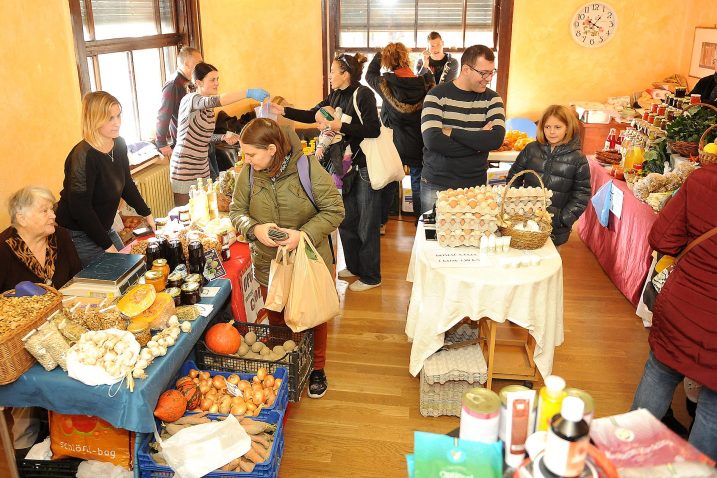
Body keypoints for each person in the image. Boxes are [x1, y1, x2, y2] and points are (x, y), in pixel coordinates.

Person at [229, 118, 344, 398]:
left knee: (312, 315)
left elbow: (335, 210)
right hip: (268, 260)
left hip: (307, 258)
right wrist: (254, 228)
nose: (247, 159)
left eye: (251, 154)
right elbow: (236, 212)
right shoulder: (249, 172)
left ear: (271, 148)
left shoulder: (306, 167)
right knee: (277, 314)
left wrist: (301, 235)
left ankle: (317, 368)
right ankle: (285, 362)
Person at [270, 53, 382, 292]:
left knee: (366, 223)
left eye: (333, 71)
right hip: (343, 168)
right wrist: (283, 110)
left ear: (345, 74)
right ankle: (354, 266)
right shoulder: (335, 95)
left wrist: (340, 126)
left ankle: (371, 276)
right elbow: (312, 114)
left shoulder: (363, 94)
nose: (329, 75)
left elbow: (373, 129)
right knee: (347, 219)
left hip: (363, 167)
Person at [631, 157, 717, 462]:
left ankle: (631, 454)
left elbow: (662, 238)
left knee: (660, 371)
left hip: (684, 303)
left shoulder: (703, 179)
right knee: (713, 408)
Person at [1, 186, 82, 459]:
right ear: (21, 217)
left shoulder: (60, 237)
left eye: (52, 209)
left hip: (66, 327)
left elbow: (78, 280)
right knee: (23, 392)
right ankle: (27, 457)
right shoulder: (3, 250)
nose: (52, 216)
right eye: (44, 210)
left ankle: (75, 437)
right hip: (21, 345)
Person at [56, 91, 155, 267]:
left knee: (127, 268)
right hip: (79, 233)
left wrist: (146, 212)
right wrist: (107, 245)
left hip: (103, 226)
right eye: (110, 118)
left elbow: (126, 184)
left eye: (118, 116)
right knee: (115, 274)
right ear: (95, 119)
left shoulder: (119, 144)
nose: (117, 123)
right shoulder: (82, 157)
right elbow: (81, 210)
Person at [420, 44, 506, 211]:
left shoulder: (493, 99)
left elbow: (495, 140)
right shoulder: (436, 95)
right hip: (436, 183)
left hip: (475, 186)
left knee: (472, 236)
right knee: (432, 236)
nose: (489, 78)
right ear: (466, 69)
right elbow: (433, 141)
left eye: (491, 72)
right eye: (483, 73)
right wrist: (478, 142)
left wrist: (452, 132)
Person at [171, 62, 269, 206]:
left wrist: (223, 137)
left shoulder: (208, 108)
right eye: (212, 80)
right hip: (185, 168)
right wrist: (248, 93)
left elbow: (203, 136)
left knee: (204, 213)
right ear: (198, 82)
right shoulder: (191, 100)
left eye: (218, 79)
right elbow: (216, 101)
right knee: (186, 214)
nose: (217, 83)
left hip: (202, 167)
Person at [366, 42, 435, 222]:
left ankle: (383, 220)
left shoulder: (385, 83)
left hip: (393, 141)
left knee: (389, 180)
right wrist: (425, 68)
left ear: (388, 60)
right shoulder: (425, 83)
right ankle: (421, 221)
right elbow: (431, 80)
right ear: (406, 57)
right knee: (418, 181)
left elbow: (369, 74)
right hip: (418, 142)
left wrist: (381, 54)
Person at [506, 105, 591, 247]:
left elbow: (582, 195)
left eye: (558, 127)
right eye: (547, 127)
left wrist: (562, 218)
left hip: (555, 226)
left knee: (548, 260)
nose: (551, 132)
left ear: (568, 128)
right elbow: (514, 177)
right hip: (525, 219)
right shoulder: (531, 149)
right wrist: (516, 205)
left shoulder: (578, 158)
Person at [155, 46, 203, 159]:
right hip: (186, 145)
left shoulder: (191, 81)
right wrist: (161, 142)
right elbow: (163, 114)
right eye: (199, 63)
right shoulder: (173, 85)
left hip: (199, 141)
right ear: (186, 64)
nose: (201, 67)